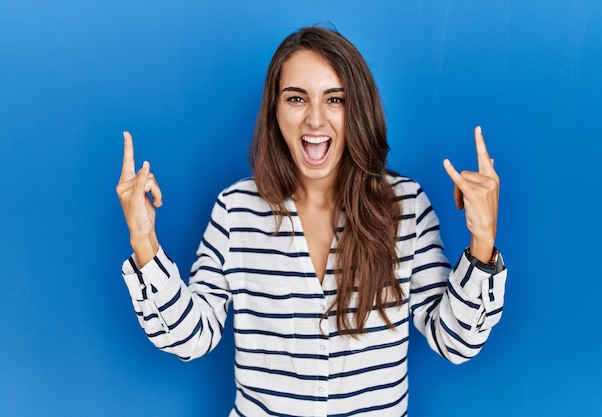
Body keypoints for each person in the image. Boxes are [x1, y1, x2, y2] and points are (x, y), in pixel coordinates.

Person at [116, 26, 507, 417]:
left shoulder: (405, 207)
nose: (315, 120)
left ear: (357, 110)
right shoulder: (235, 209)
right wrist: (143, 240)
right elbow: (191, 337)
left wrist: (482, 242)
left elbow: (456, 341)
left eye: (334, 99)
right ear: (275, 109)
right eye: (297, 98)